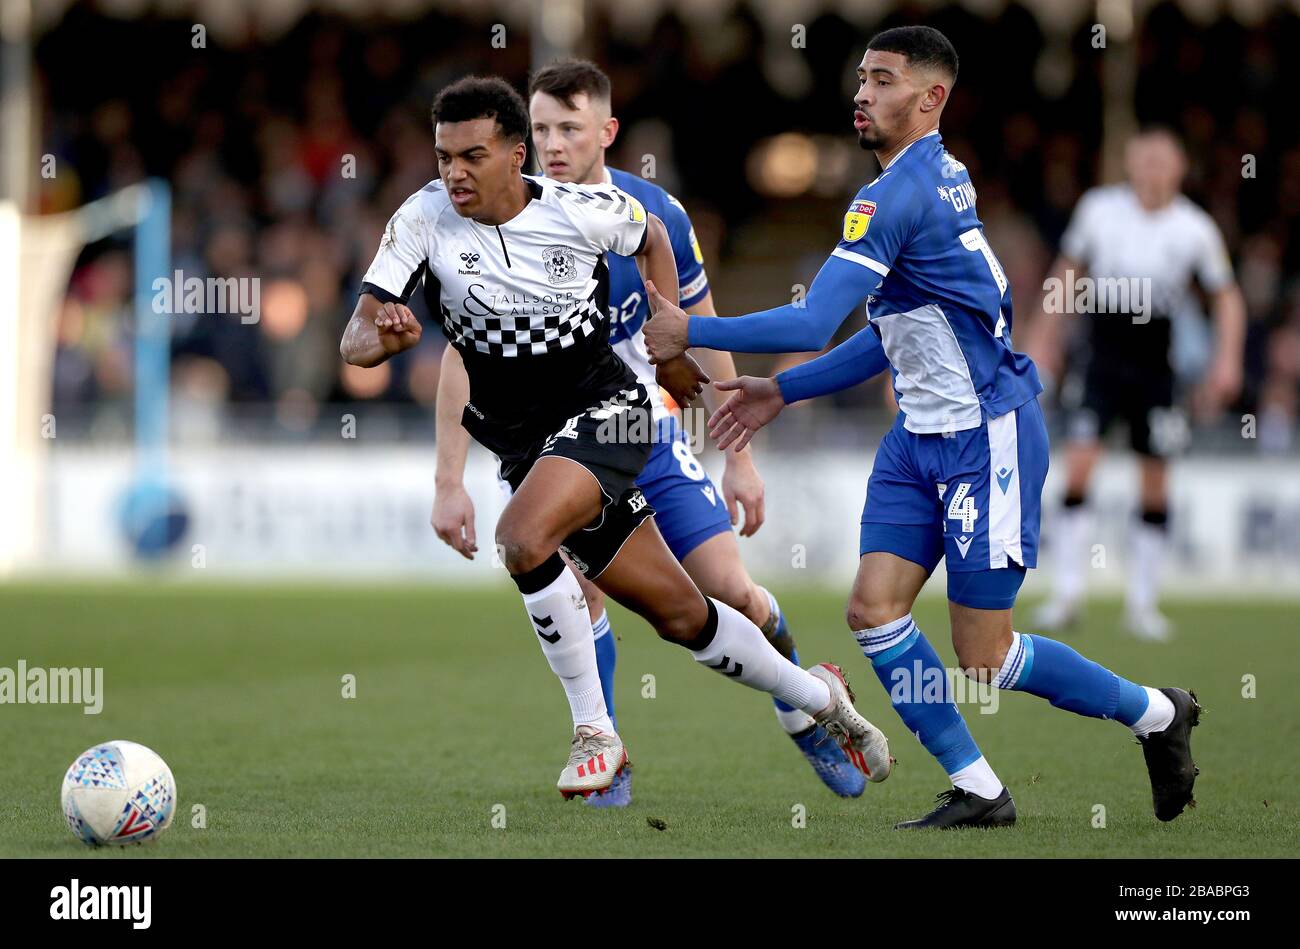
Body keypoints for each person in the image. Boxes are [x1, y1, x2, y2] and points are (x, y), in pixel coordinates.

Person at [643, 27, 1201, 828]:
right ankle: (979, 788)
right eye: (861, 78)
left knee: (986, 657)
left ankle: (1157, 712)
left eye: (882, 79)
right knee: (873, 611)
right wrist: (784, 392)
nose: (862, 93)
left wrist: (692, 331)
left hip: (987, 437)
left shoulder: (893, 195)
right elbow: (888, 333)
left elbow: (813, 319)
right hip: (917, 442)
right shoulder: (939, 179)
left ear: (930, 97)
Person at [342, 75, 891, 800]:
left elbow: (657, 242)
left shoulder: (592, 210)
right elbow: (357, 337)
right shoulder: (423, 220)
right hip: (529, 446)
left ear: (512, 156)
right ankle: (818, 698)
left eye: (472, 155)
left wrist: (670, 353)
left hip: (620, 414)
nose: (454, 172)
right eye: (444, 156)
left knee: (527, 537)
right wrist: (379, 341)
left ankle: (597, 736)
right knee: (684, 616)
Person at [1025, 128, 1246, 641]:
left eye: (1161, 161)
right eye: (1143, 160)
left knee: (1155, 476)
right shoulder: (1099, 209)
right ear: (1129, 164)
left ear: (1178, 168)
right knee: (1079, 464)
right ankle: (1066, 594)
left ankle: (1143, 604)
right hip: (1102, 351)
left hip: (1154, 358)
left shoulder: (1194, 227)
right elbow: (1068, 273)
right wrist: (1042, 338)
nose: (1151, 170)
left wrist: (1226, 359)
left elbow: (1227, 296)